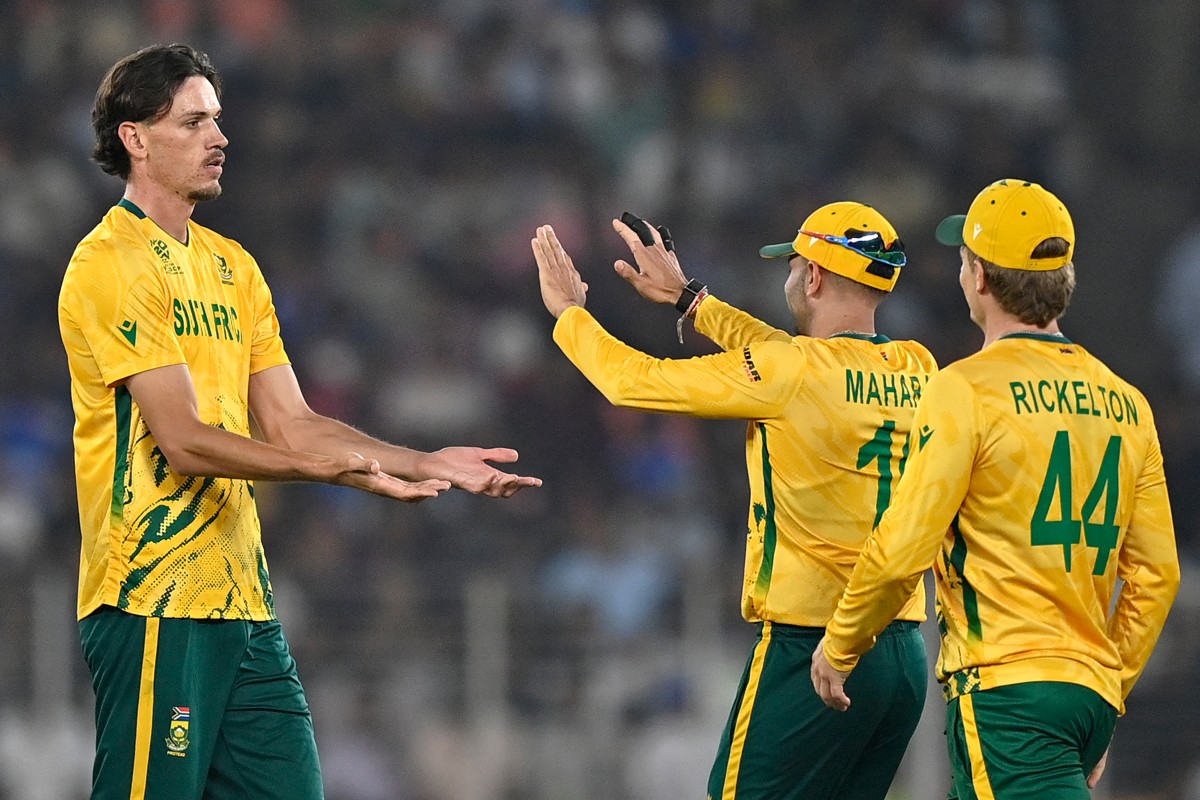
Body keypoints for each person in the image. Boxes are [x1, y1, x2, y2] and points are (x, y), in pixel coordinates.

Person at [59, 43, 541, 800]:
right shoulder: (111, 264)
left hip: (243, 602)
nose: (219, 137)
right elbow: (182, 441)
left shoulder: (233, 267)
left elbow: (294, 423)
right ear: (135, 138)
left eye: (217, 119)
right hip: (153, 598)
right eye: (193, 122)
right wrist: (322, 472)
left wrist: (423, 462)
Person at [531, 203, 939, 799]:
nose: (789, 275)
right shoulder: (918, 367)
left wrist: (570, 314)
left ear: (814, 276)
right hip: (902, 652)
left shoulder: (791, 371)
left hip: (811, 646)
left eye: (793, 264)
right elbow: (792, 358)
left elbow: (632, 381)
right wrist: (690, 300)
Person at [811, 179, 1181, 798]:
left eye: (964, 259)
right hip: (1087, 691)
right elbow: (1157, 575)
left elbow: (904, 547)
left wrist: (841, 643)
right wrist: (1107, 686)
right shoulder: (1128, 405)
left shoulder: (964, 391)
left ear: (979, 277)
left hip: (1008, 692)